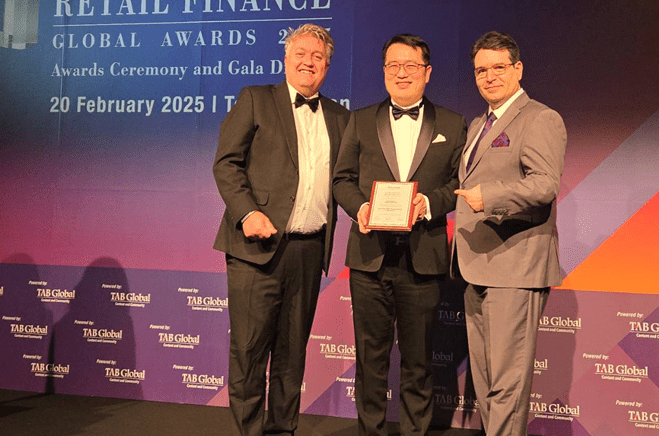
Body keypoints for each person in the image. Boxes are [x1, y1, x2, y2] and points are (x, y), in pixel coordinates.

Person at [213, 23, 350, 436]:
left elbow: (348, 181)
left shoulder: (341, 117)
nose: (309, 62)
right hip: (256, 248)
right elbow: (226, 163)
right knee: (249, 351)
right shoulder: (256, 99)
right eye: (301, 54)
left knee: (293, 355)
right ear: (286, 58)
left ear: (327, 66)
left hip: (309, 251)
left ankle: (282, 431)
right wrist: (247, 213)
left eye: (317, 57)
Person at [332, 34, 467, 436]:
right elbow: (341, 180)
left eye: (410, 65)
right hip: (369, 258)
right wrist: (360, 208)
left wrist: (428, 203)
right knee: (369, 360)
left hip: (423, 258)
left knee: (419, 361)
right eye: (393, 65)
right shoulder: (359, 120)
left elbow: (459, 183)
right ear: (384, 71)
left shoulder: (452, 123)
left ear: (427, 72)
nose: (401, 73)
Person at [453, 31, 567, 436]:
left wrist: (490, 197)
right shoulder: (478, 124)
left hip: (515, 267)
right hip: (476, 265)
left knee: (507, 385)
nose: (489, 77)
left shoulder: (540, 118)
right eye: (481, 70)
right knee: (486, 382)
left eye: (498, 67)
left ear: (518, 69)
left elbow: (544, 185)